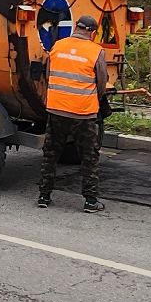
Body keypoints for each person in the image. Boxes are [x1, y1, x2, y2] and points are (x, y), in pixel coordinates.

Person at [41, 12, 110, 213]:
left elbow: (48, 75)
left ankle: (44, 196)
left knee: (51, 153)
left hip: (56, 108)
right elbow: (102, 84)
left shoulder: (57, 46)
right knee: (89, 156)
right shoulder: (96, 51)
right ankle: (90, 201)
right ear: (92, 33)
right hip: (83, 112)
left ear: (76, 28)